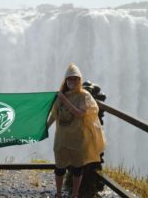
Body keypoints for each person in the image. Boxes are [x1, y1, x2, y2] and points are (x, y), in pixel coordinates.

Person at [47, 63, 106, 198]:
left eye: (75, 79)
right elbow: (54, 114)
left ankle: (74, 195)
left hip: (78, 139)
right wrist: (44, 128)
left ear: (79, 80)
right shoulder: (61, 95)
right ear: (66, 80)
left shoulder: (84, 96)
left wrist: (64, 99)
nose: (72, 81)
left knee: (77, 169)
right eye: (70, 79)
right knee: (59, 168)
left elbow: (80, 113)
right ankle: (58, 193)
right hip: (62, 138)